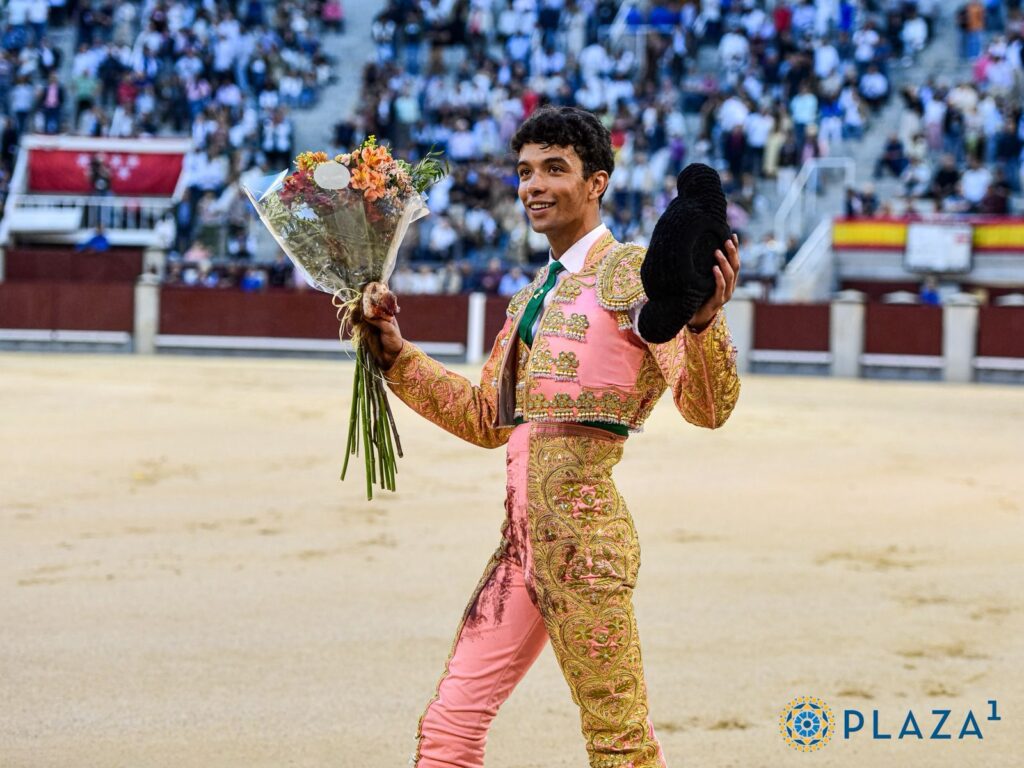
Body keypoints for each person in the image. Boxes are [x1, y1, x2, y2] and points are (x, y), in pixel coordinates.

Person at [361, 106, 741, 768]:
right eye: (524, 171)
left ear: (596, 183)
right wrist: (397, 356)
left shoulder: (631, 272)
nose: (533, 185)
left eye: (554, 170)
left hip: (585, 548)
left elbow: (707, 408)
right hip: (520, 547)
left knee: (618, 740)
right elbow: (487, 418)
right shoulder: (537, 291)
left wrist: (705, 326)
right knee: (449, 725)